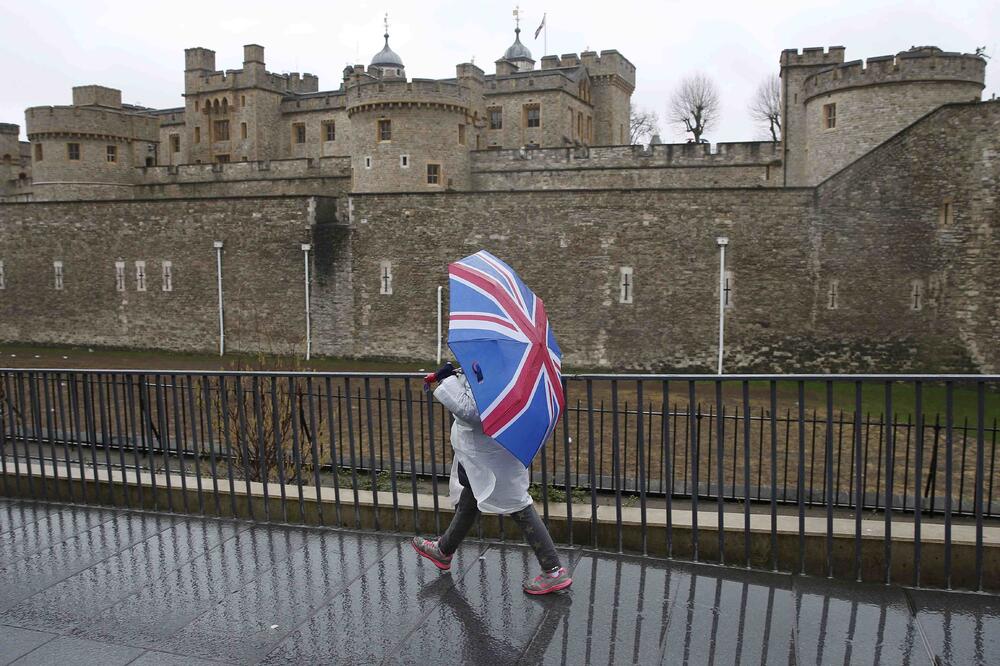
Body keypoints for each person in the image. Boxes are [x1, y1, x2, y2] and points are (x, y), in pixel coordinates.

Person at [411, 362, 572, 595]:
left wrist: (448, 380)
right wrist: (462, 372)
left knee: (518, 504)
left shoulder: (495, 369)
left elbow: (472, 411)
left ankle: (553, 570)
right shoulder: (510, 366)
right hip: (490, 450)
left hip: (489, 452)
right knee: (473, 494)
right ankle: (444, 550)